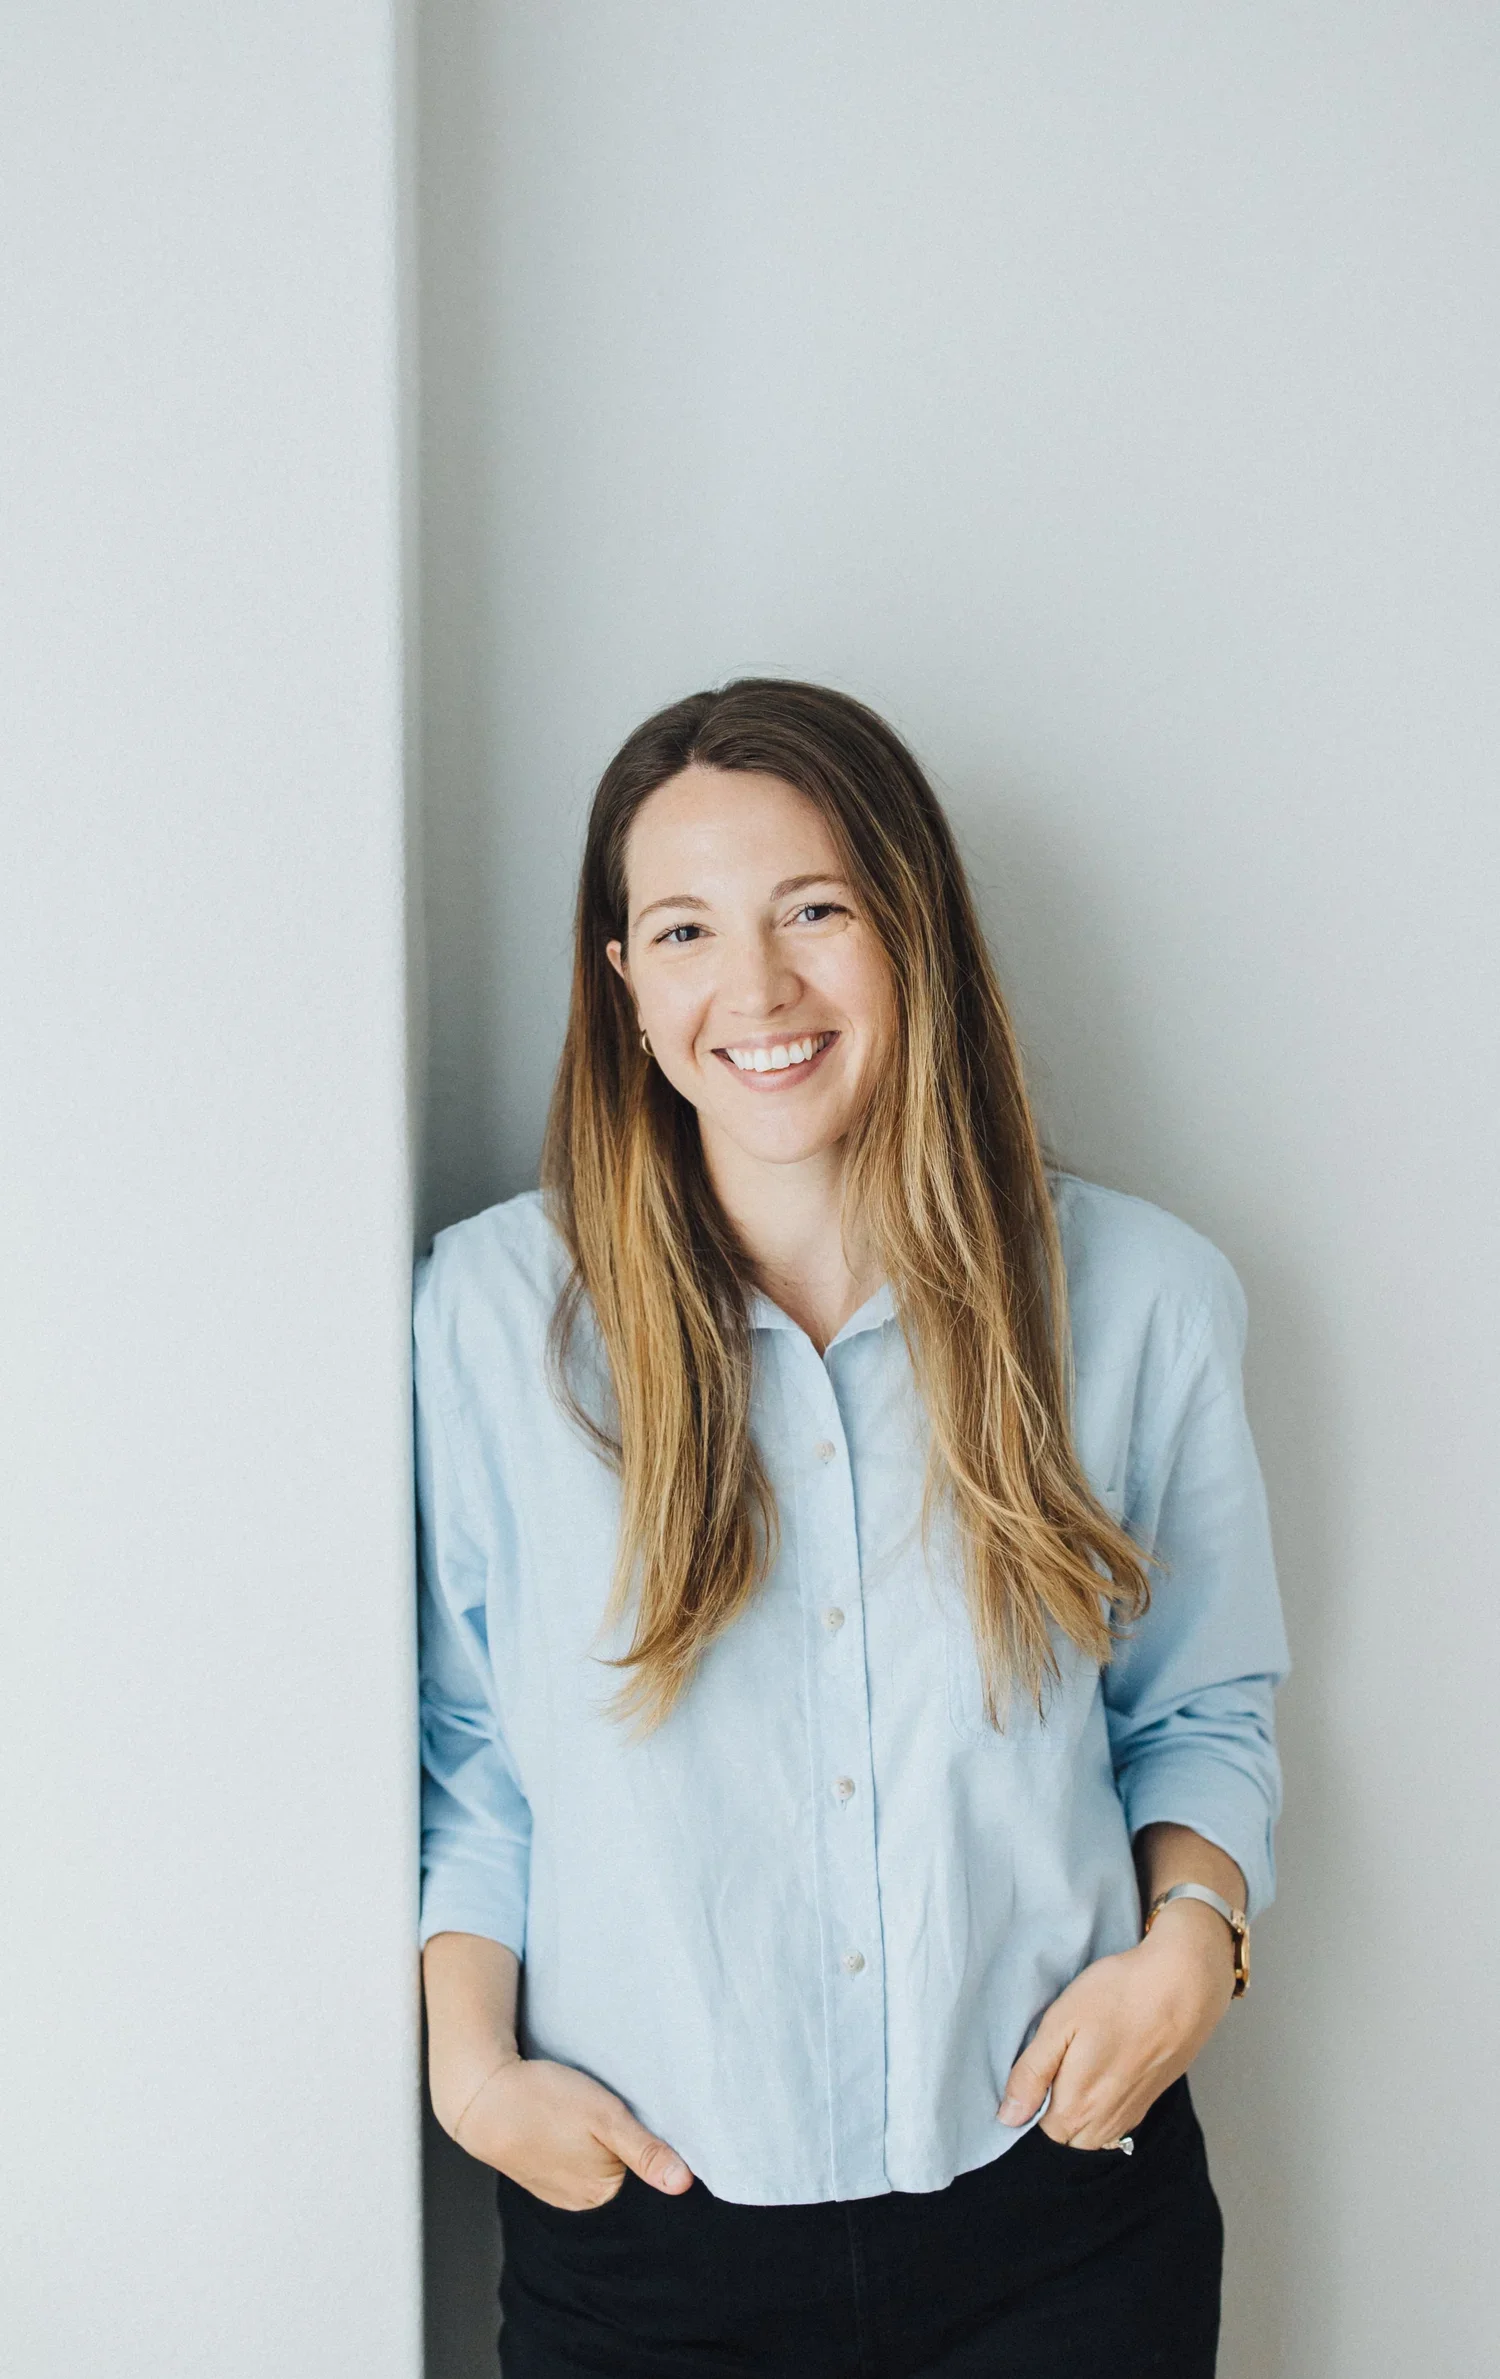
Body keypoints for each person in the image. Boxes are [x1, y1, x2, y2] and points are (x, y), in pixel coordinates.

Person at [415, 678, 1289, 2378]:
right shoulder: (488, 1321)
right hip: (642, 2249)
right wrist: (471, 2073)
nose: (758, 988)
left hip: (1063, 2219)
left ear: (915, 931)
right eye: (684, 930)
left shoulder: (1143, 1299)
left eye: (814, 909)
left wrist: (1196, 1951)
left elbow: (1201, 1710)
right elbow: (475, 1751)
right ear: (624, 986)